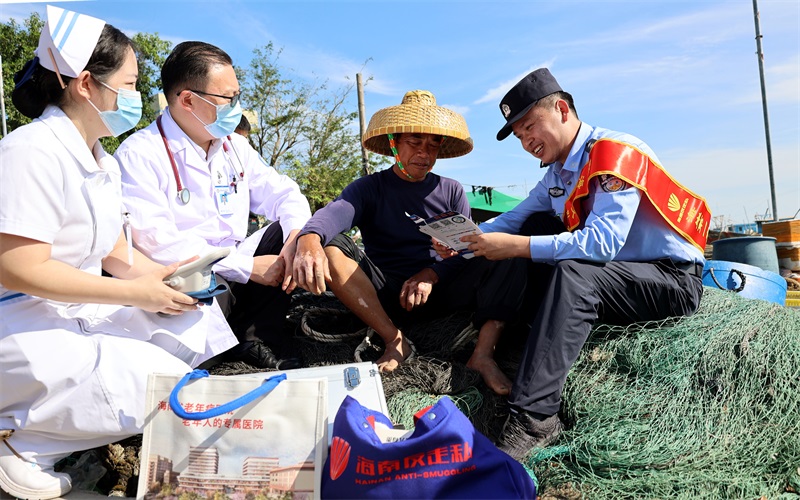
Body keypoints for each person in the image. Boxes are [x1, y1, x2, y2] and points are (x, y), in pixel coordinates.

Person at [0, 7, 237, 500]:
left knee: (189, 327)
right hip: (23, 322)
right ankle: (24, 443)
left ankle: (50, 428)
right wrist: (131, 293)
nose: (135, 98)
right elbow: (18, 267)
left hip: (76, 311)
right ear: (86, 84)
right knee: (166, 388)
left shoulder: (99, 160)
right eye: (128, 85)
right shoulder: (32, 150)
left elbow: (112, 250)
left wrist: (167, 281)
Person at [463, 68, 710, 460]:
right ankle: (493, 346)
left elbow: (602, 243)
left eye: (530, 127)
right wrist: (462, 240)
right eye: (519, 135)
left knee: (572, 268)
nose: (527, 141)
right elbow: (514, 220)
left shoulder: (614, 153)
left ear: (561, 109)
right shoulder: (557, 173)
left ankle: (534, 418)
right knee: (535, 224)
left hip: (668, 279)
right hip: (614, 278)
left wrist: (518, 246)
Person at [292, 90, 527, 393]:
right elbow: (335, 214)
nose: (424, 153)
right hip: (386, 293)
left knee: (509, 249)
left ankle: (483, 354)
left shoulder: (452, 190)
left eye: (432, 144)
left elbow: (465, 250)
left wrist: (431, 273)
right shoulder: (368, 188)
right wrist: (309, 238)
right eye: (414, 142)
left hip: (442, 289)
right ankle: (394, 339)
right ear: (394, 144)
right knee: (332, 247)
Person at [115, 42, 312, 370]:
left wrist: (294, 239)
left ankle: (254, 338)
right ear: (188, 100)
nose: (237, 107)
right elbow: (158, 242)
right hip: (190, 278)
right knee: (204, 292)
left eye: (238, 95)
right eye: (227, 99)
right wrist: (246, 268)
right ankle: (234, 344)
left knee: (303, 234)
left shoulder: (234, 147)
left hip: (239, 269)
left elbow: (286, 194)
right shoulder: (140, 154)